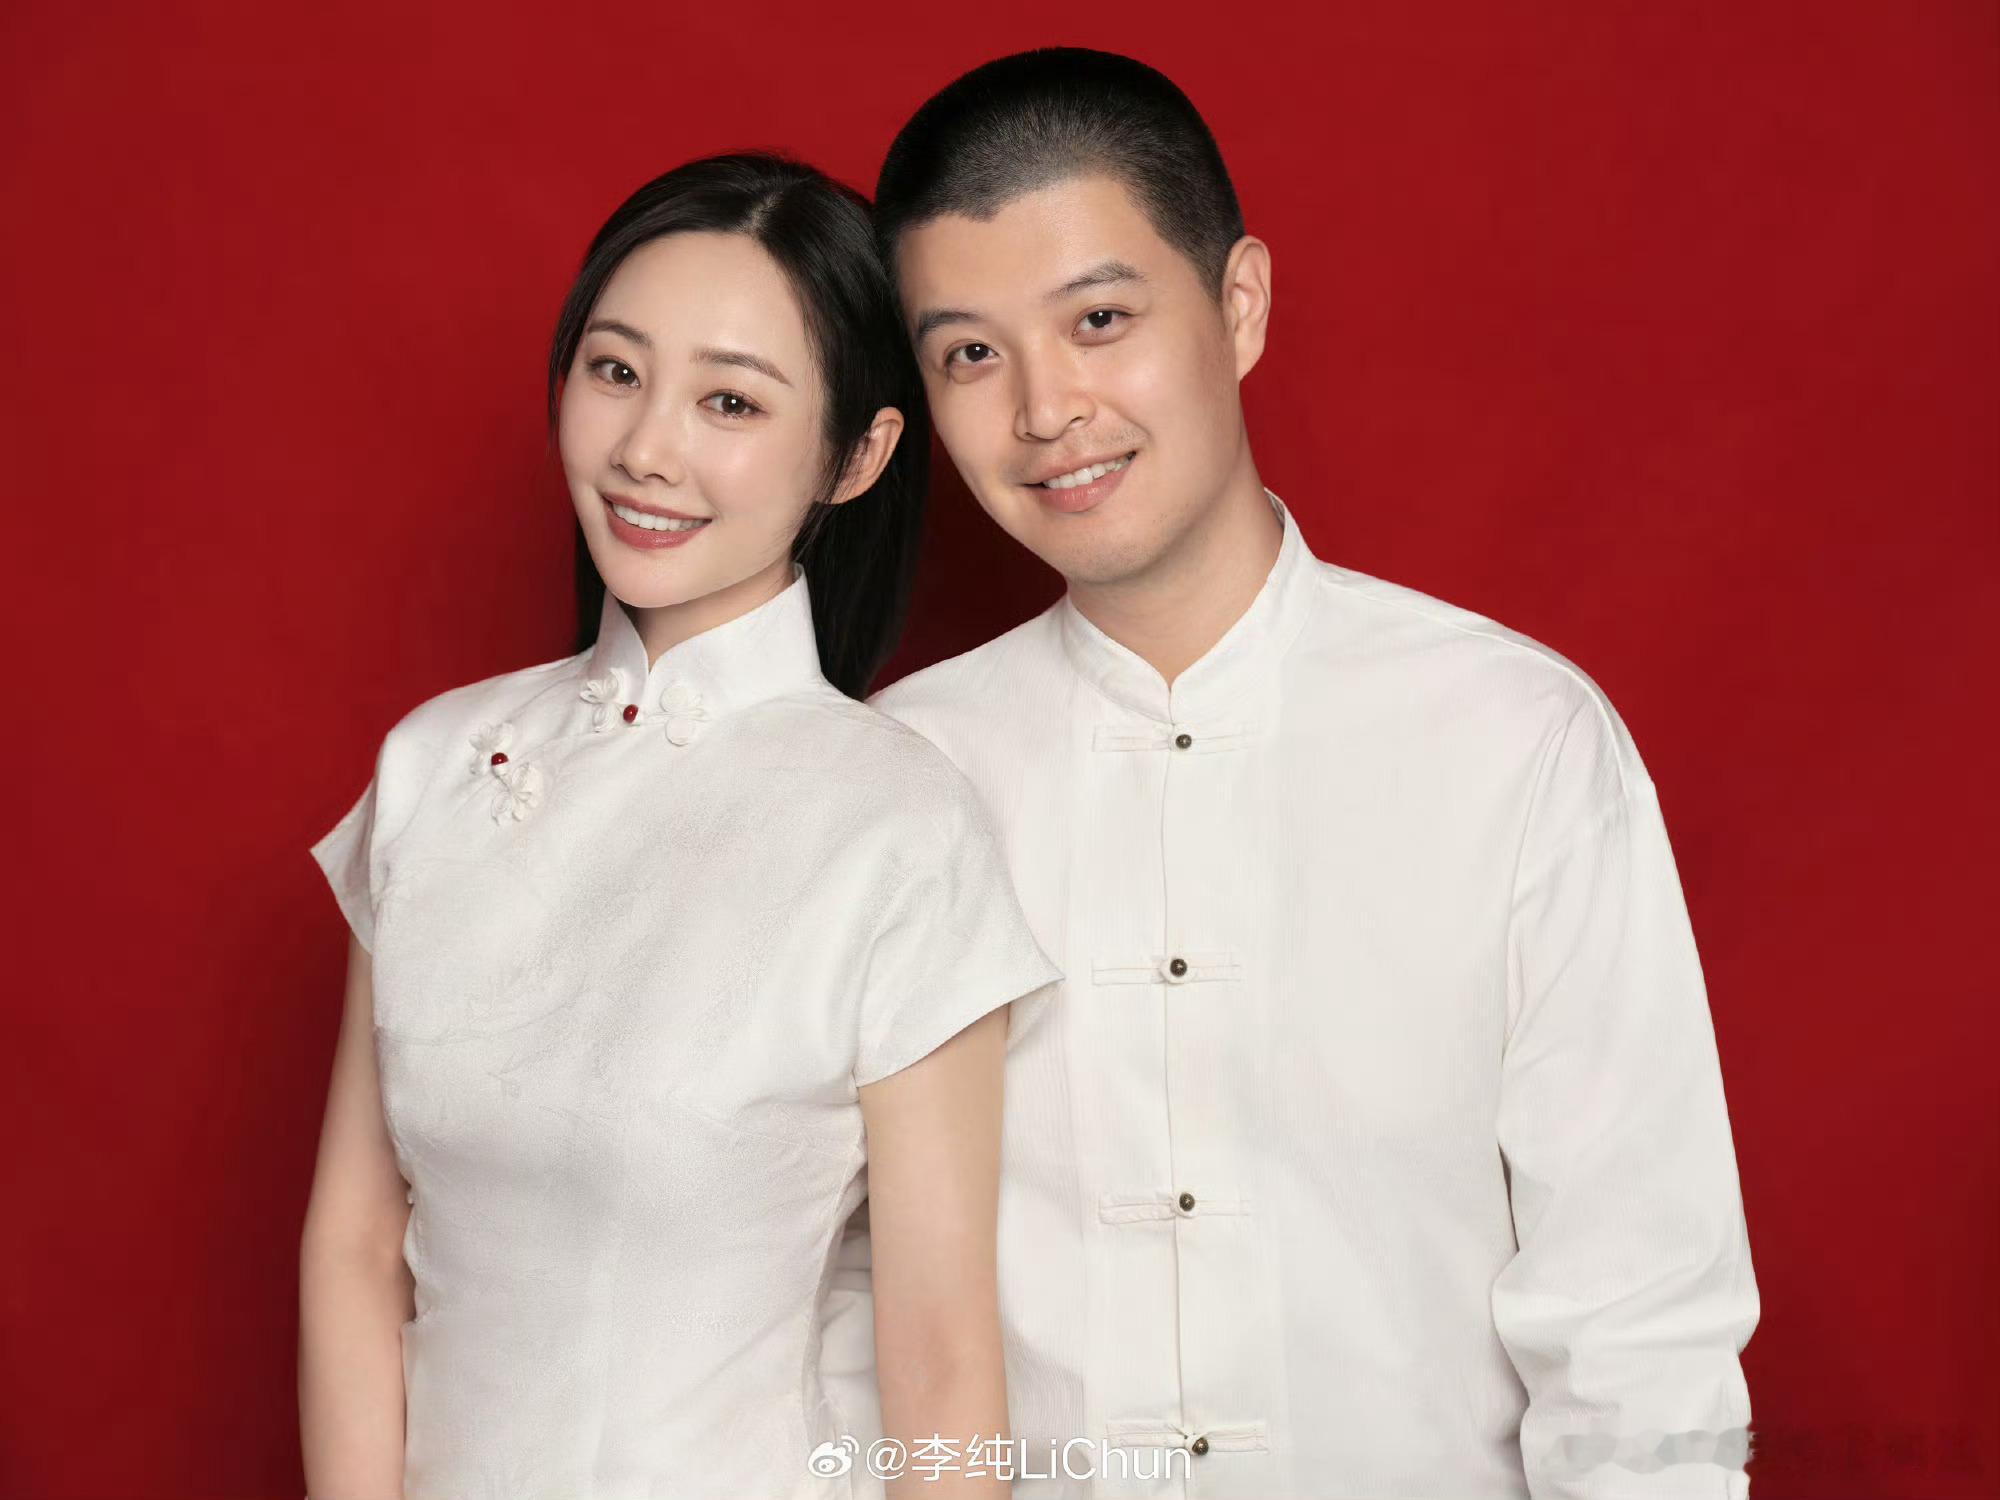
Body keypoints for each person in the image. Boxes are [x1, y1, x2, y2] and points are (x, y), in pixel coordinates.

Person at [821, 49, 1760, 1499]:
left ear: (1240, 305)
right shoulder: (898, 777)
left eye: (1100, 319)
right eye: (971, 356)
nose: (1046, 409)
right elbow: (837, 1303)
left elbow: (1641, 1321)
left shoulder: (1514, 739)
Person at [298, 152, 1059, 1500]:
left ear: (858, 455)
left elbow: (943, 1360)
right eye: (615, 371)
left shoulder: (897, 826)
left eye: (729, 401)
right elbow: (357, 1247)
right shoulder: (437, 766)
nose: (646, 449)